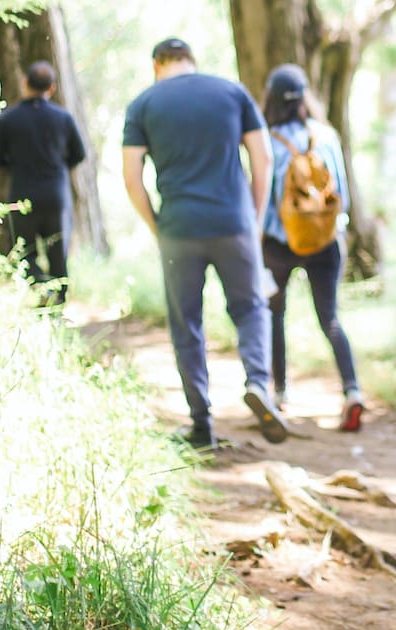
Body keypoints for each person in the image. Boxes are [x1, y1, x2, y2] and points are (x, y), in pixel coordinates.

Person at [122, 37, 289, 450]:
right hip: (234, 223)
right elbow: (262, 157)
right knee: (251, 308)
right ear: (190, 61)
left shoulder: (144, 103)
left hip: (178, 229)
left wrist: (155, 225)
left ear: (157, 65)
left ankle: (201, 424)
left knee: (187, 326)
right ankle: (258, 382)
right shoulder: (232, 92)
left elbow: (131, 175)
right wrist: (253, 216)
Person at [261, 63, 364, 432]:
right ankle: (352, 391)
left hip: (278, 243)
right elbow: (344, 197)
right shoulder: (326, 136)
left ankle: (278, 391)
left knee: (275, 313)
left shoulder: (266, 140)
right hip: (324, 241)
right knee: (330, 318)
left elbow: (261, 199)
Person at [0, 61, 87, 305]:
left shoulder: (7, 120)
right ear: (51, 88)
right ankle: (59, 304)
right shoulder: (63, 117)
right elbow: (80, 154)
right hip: (56, 194)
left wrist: (16, 166)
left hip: (23, 194)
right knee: (58, 253)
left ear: (25, 83)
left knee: (25, 251)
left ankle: (41, 291)